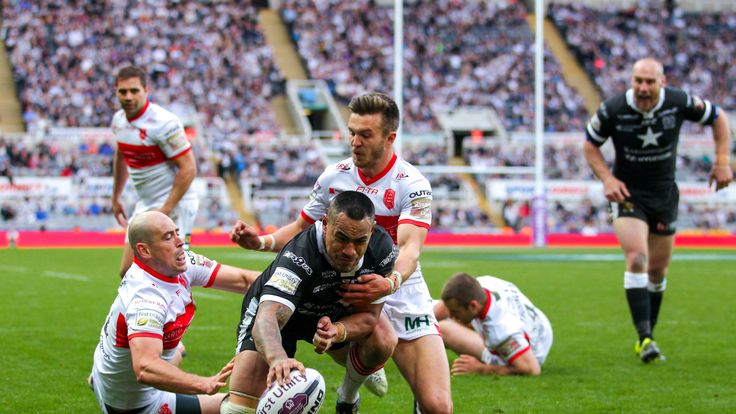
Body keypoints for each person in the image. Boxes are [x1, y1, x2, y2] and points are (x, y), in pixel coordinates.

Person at [231, 92, 452, 413]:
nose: (355, 141)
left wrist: (389, 283)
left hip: (399, 283)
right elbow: (299, 229)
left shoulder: (412, 184)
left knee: (438, 406)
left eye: (365, 134)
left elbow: (410, 248)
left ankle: (348, 395)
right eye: (351, 132)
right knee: (349, 338)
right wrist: (260, 242)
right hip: (344, 282)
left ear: (390, 137)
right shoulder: (333, 177)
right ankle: (358, 381)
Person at [583, 57, 733, 362]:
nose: (642, 87)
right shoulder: (613, 109)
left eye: (649, 81)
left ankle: (649, 331)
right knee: (637, 257)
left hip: (664, 194)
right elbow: (589, 144)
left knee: (657, 271)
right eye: (638, 80)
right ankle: (645, 338)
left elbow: (718, 118)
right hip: (627, 193)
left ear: (661, 82)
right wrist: (607, 178)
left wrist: (721, 162)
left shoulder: (678, 102)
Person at [221, 191, 398, 414]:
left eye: (360, 241)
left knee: (384, 338)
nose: (349, 251)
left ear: (371, 231)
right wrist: (277, 359)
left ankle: (348, 396)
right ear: (325, 224)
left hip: (331, 314)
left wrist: (338, 331)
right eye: (341, 238)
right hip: (281, 320)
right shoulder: (300, 255)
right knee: (239, 410)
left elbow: (370, 316)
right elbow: (267, 319)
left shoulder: (382, 249)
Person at [90, 211, 260, 414]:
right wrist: (203, 383)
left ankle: (97, 378)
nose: (180, 241)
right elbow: (145, 367)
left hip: (107, 371)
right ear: (145, 251)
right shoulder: (146, 298)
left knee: (176, 349)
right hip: (136, 406)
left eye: (177, 232)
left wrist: (290, 282)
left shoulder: (182, 262)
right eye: (168, 237)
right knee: (241, 409)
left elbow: (245, 280)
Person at [111, 65, 198, 279]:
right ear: (116, 91)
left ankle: (180, 311)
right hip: (147, 206)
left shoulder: (164, 123)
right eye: (123, 91)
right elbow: (121, 156)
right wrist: (116, 197)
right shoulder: (119, 121)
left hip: (175, 204)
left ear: (145, 90)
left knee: (171, 274)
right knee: (128, 272)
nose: (128, 96)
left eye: (134, 90)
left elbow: (189, 168)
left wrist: (165, 209)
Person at [433, 273, 553, 376]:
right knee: (442, 314)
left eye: (455, 312)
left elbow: (532, 369)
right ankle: (423, 327)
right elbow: (448, 305)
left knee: (443, 328)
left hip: (533, 352)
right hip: (539, 327)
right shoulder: (484, 283)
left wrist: (481, 369)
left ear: (473, 305)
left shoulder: (502, 330)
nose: (452, 316)